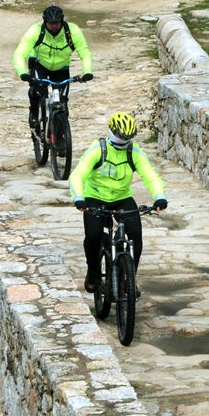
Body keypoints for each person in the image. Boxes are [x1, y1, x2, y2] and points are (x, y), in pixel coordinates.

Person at [70, 111, 168, 294]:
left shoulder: (134, 151)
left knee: (136, 235)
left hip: (122, 198)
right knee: (93, 235)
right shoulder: (98, 149)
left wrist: (159, 196)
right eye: (120, 135)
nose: (123, 139)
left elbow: (150, 174)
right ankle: (93, 272)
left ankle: (129, 280)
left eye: (127, 137)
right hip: (95, 197)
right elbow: (78, 174)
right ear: (111, 131)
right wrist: (79, 197)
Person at [12, 5, 94, 131]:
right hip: (39, 64)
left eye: (57, 23)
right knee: (37, 91)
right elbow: (20, 53)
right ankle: (34, 112)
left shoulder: (72, 31)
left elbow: (84, 53)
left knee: (63, 103)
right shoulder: (36, 31)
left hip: (61, 67)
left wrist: (87, 72)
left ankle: (61, 137)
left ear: (61, 21)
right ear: (45, 22)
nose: (54, 26)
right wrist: (23, 73)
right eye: (51, 23)